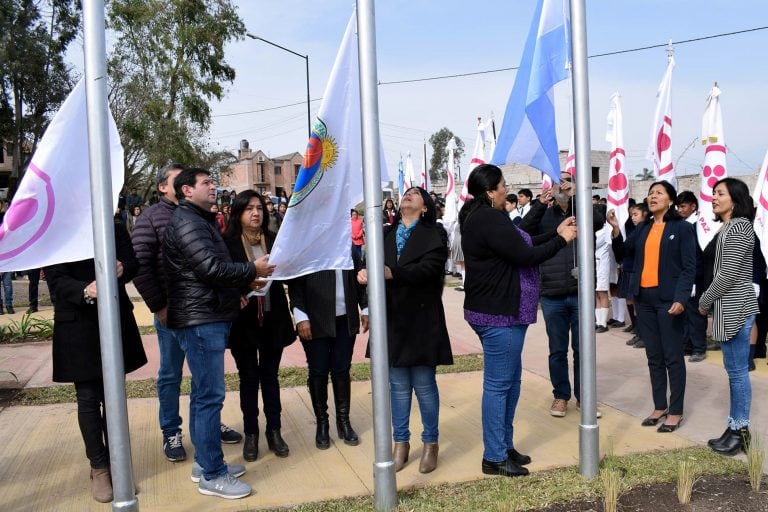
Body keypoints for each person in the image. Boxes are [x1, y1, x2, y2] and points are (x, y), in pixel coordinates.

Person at [459, 165, 577, 477]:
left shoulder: (489, 217)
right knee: (499, 386)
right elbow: (525, 256)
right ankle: (494, 457)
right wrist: (562, 240)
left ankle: (503, 445)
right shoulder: (487, 218)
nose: (505, 189)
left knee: (511, 382)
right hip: (498, 314)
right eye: (502, 185)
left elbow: (524, 239)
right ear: (490, 191)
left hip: (503, 313)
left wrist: (555, 231)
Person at [164, 168, 274, 499]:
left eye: (213, 182)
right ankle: (213, 473)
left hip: (206, 314)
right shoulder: (188, 222)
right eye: (206, 183)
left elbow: (211, 271)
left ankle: (205, 462)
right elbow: (211, 268)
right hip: (201, 320)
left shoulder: (199, 219)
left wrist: (237, 289)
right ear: (186, 190)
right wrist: (252, 269)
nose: (213, 187)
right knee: (210, 396)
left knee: (202, 395)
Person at [132, 163, 243, 464]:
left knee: (203, 380)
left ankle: (204, 431)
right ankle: (172, 430)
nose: (211, 187)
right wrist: (159, 306)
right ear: (164, 188)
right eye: (175, 180)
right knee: (171, 374)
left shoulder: (201, 217)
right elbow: (140, 266)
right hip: (172, 310)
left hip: (199, 308)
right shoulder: (153, 218)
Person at [45, 220, 147, 503]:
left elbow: (133, 261)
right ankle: (99, 467)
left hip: (114, 317)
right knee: (89, 399)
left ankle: (119, 464)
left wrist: (123, 268)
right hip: (77, 323)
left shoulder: (109, 223)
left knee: (114, 396)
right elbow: (56, 280)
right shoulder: (57, 228)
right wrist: (85, 290)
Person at [358, 187, 451, 473]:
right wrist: (364, 276)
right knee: (397, 387)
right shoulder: (383, 234)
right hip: (391, 319)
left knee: (424, 384)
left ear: (425, 207)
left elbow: (430, 270)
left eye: (415, 193)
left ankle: (431, 443)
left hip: (422, 319)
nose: (407, 195)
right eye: (405, 193)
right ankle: (401, 444)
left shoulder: (434, 234)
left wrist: (392, 273)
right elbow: (367, 268)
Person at [519, 172, 605, 418]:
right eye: (558, 180)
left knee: (583, 348)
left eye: (567, 180)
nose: (563, 184)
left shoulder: (583, 211)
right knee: (557, 350)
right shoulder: (545, 213)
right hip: (552, 292)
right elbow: (524, 233)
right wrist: (539, 204)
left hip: (581, 293)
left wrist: (578, 197)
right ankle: (561, 396)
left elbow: (598, 221)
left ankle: (585, 398)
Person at [223, 190, 296, 462]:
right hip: (243, 322)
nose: (256, 213)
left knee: (270, 377)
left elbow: (289, 273)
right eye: (249, 208)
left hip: (272, 319)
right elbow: (220, 277)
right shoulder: (227, 243)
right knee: (248, 378)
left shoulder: (275, 241)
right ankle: (251, 433)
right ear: (238, 213)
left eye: (259, 208)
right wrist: (246, 282)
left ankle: (274, 431)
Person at [623, 181, 696, 432]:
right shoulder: (643, 228)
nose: (653, 196)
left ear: (671, 200)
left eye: (659, 193)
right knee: (653, 355)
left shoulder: (682, 228)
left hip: (669, 300)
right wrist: (614, 230)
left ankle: (675, 410)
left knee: (672, 356)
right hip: (644, 300)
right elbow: (624, 252)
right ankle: (659, 406)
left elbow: (689, 267)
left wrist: (681, 298)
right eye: (651, 193)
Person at [698, 178, 759, 455]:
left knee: (737, 374)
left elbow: (727, 273)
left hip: (736, 308)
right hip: (729, 308)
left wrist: (704, 301)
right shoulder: (729, 227)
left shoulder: (740, 226)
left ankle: (741, 431)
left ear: (735, 198)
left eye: (720, 193)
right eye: (713, 193)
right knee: (734, 372)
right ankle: (734, 426)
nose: (714, 197)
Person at [288, 249, 368, 451]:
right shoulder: (309, 245)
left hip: (345, 320)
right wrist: (301, 316)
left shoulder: (347, 246)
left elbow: (360, 278)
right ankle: (322, 423)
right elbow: (296, 285)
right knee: (318, 371)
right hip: (315, 320)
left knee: (341, 370)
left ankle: (344, 422)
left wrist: (365, 308)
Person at [609, 203, 649, 348]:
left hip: (641, 272)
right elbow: (622, 250)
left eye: (635, 214)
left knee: (640, 305)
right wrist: (615, 228)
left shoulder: (648, 229)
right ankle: (639, 332)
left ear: (645, 214)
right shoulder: (636, 230)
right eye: (631, 215)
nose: (632, 218)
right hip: (630, 268)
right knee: (632, 302)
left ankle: (644, 335)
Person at [676, 191, 708, 362]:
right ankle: (687, 345)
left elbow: (697, 254)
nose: (680, 210)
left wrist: (694, 279)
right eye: (678, 206)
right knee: (684, 313)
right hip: (684, 276)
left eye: (683, 206)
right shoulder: (683, 224)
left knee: (695, 314)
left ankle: (698, 347)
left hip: (696, 276)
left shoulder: (698, 226)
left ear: (693, 206)